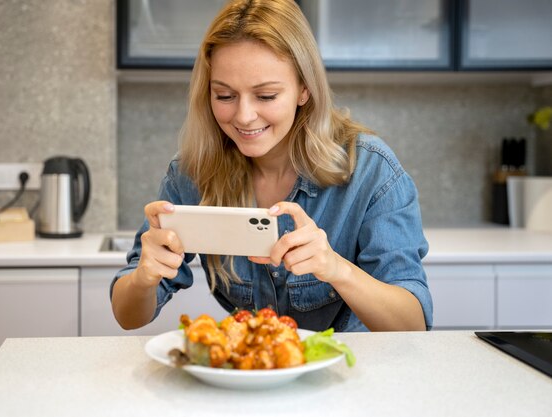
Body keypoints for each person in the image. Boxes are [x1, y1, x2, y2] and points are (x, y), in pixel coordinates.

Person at [111, 0, 432, 332]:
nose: (244, 116)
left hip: (352, 378)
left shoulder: (371, 170)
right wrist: (144, 278)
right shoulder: (191, 174)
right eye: (224, 96)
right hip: (253, 371)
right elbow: (127, 315)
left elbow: (413, 325)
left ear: (304, 89)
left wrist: (335, 267)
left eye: (265, 96)